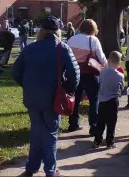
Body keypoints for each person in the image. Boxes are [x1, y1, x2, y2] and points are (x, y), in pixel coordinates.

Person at [12, 16, 80, 177]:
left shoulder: (30, 48)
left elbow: (15, 72)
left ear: (41, 30)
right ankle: (50, 170)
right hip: (52, 96)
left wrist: (27, 85)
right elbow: (75, 75)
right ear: (57, 31)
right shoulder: (62, 48)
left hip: (32, 97)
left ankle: (31, 167)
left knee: (36, 131)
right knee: (50, 133)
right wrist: (67, 89)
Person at [67, 19, 108, 136]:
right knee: (94, 99)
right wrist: (108, 68)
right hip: (90, 73)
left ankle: (73, 123)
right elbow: (101, 57)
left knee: (76, 98)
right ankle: (93, 126)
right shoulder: (93, 40)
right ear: (93, 29)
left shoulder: (72, 39)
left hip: (75, 73)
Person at [93, 51, 124, 149]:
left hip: (102, 100)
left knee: (100, 122)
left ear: (108, 60)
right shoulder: (120, 76)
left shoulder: (103, 73)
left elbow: (100, 82)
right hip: (113, 101)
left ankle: (97, 141)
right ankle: (110, 142)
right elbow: (121, 87)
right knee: (111, 122)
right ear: (119, 63)